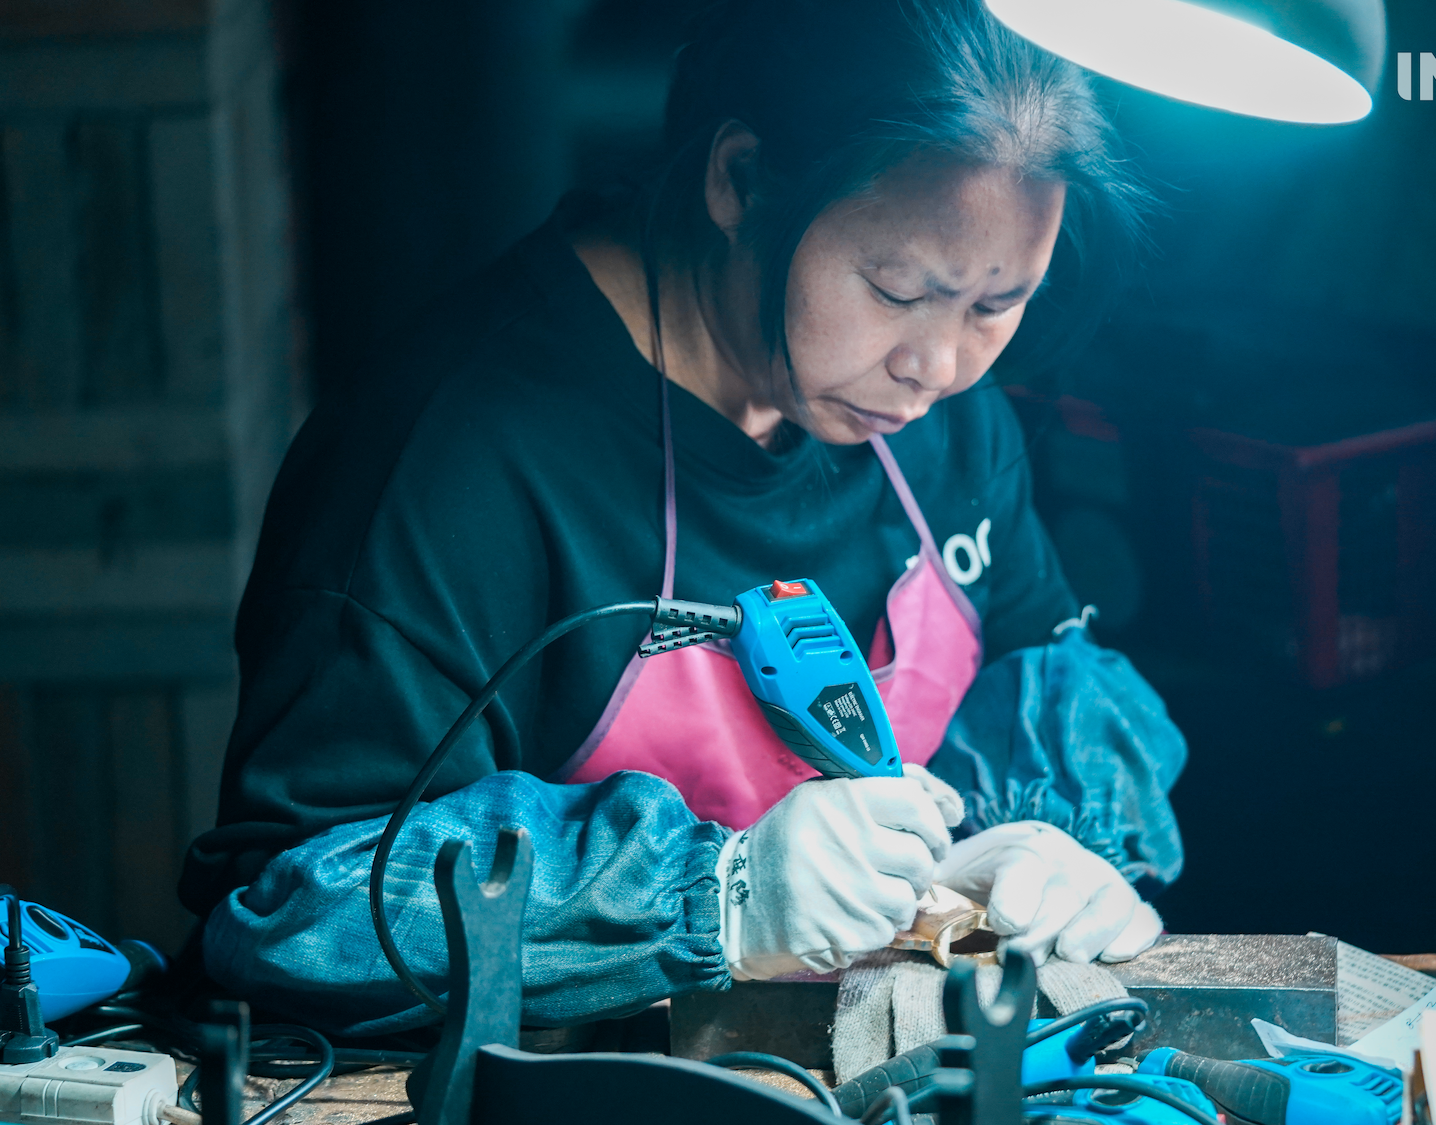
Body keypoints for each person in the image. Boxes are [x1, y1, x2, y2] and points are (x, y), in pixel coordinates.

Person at [181, 0, 1187, 1037]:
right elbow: (301, 909)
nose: (938, 367)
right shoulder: (449, 466)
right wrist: (716, 893)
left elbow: (1039, 674)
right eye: (895, 290)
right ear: (740, 181)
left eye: (993, 304)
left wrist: (1042, 847)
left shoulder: (937, 418)